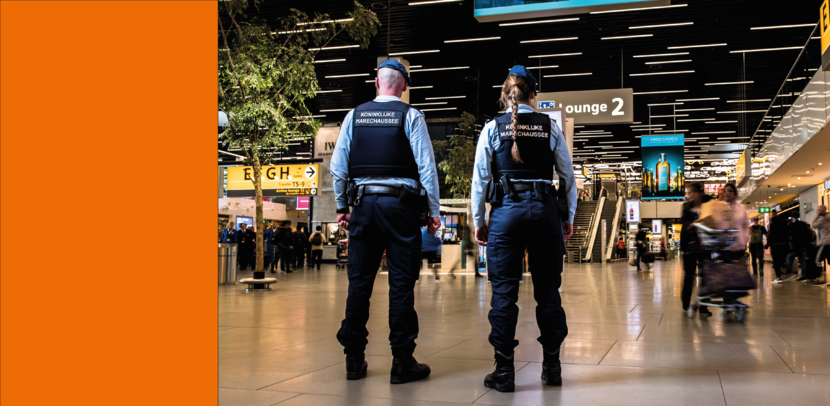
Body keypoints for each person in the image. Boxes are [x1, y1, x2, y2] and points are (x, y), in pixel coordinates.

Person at [330, 59, 441, 384]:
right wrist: (433, 213)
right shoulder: (411, 115)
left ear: (376, 83)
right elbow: (427, 169)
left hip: (363, 207)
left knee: (359, 284)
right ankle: (402, 362)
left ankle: (354, 360)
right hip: (401, 209)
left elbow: (338, 167)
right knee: (401, 286)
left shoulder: (354, 115)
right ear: (404, 86)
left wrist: (342, 207)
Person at [471, 65, 576, 392]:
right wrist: (567, 217)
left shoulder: (492, 128)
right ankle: (552, 367)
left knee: (504, 292)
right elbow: (568, 178)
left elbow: (479, 181)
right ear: (534, 95)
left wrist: (479, 221)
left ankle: (504, 372)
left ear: (505, 95)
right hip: (545, 213)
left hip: (506, 214)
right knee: (548, 292)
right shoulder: (551, 127)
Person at [680, 183, 712, 316]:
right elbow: (685, 223)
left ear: (699, 193)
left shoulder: (709, 203)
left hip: (706, 245)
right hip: (690, 245)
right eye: (689, 192)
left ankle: (704, 306)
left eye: (692, 192)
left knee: (706, 276)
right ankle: (686, 303)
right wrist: (694, 223)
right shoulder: (686, 207)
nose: (690, 195)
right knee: (689, 275)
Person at [722, 183, 749, 261]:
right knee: (726, 271)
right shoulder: (719, 207)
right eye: (725, 191)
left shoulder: (741, 208)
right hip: (725, 247)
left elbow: (745, 226)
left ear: (734, 194)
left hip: (738, 245)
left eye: (730, 191)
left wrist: (744, 239)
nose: (727, 192)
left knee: (739, 271)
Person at [768, 210, 791, 283]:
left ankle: (778, 277)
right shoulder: (784, 222)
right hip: (783, 244)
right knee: (782, 259)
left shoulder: (772, 224)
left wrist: (769, 245)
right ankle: (787, 272)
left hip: (775, 245)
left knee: (776, 261)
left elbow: (770, 235)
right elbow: (787, 234)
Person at [790, 217, 813, 281]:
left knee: (799, 259)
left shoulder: (794, 225)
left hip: (798, 245)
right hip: (804, 244)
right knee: (804, 260)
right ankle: (805, 275)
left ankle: (794, 273)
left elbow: (792, 235)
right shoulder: (803, 224)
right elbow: (808, 234)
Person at [812, 205, 830, 280]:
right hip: (828, 242)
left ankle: (819, 278)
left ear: (823, 211)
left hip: (824, 242)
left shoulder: (822, 219)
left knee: (817, 260)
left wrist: (816, 216)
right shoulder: (828, 217)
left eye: (819, 210)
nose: (817, 211)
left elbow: (813, 225)